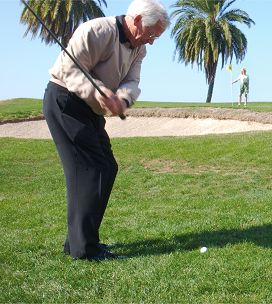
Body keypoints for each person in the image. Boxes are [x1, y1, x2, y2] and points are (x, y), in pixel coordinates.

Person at [42, 0, 169, 261]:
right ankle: (84, 249)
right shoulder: (96, 31)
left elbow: (132, 81)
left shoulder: (139, 48)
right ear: (136, 21)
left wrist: (121, 99)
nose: (153, 41)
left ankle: (79, 242)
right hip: (65, 102)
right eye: (153, 33)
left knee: (107, 167)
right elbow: (70, 70)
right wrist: (99, 93)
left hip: (90, 111)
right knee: (91, 169)